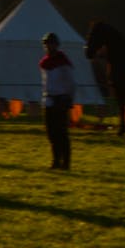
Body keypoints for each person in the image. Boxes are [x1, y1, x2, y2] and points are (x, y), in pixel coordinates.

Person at [39, 31, 74, 171]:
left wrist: (69, 98)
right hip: (49, 100)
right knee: (51, 133)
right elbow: (45, 83)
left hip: (61, 100)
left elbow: (71, 83)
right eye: (47, 44)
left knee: (62, 134)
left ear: (56, 45)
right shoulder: (44, 63)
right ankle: (55, 161)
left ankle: (65, 162)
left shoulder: (63, 62)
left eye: (51, 44)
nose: (48, 47)